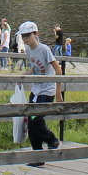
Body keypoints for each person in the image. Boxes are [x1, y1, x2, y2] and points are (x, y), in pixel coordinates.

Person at [17, 21, 62, 166]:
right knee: (31, 123)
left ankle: (52, 139)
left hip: (46, 90)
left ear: (35, 34)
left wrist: (58, 92)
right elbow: (34, 69)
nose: (25, 39)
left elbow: (58, 70)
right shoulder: (28, 50)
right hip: (35, 90)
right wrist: (23, 77)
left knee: (36, 120)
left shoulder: (44, 49)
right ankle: (38, 157)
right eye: (23, 36)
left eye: (28, 36)